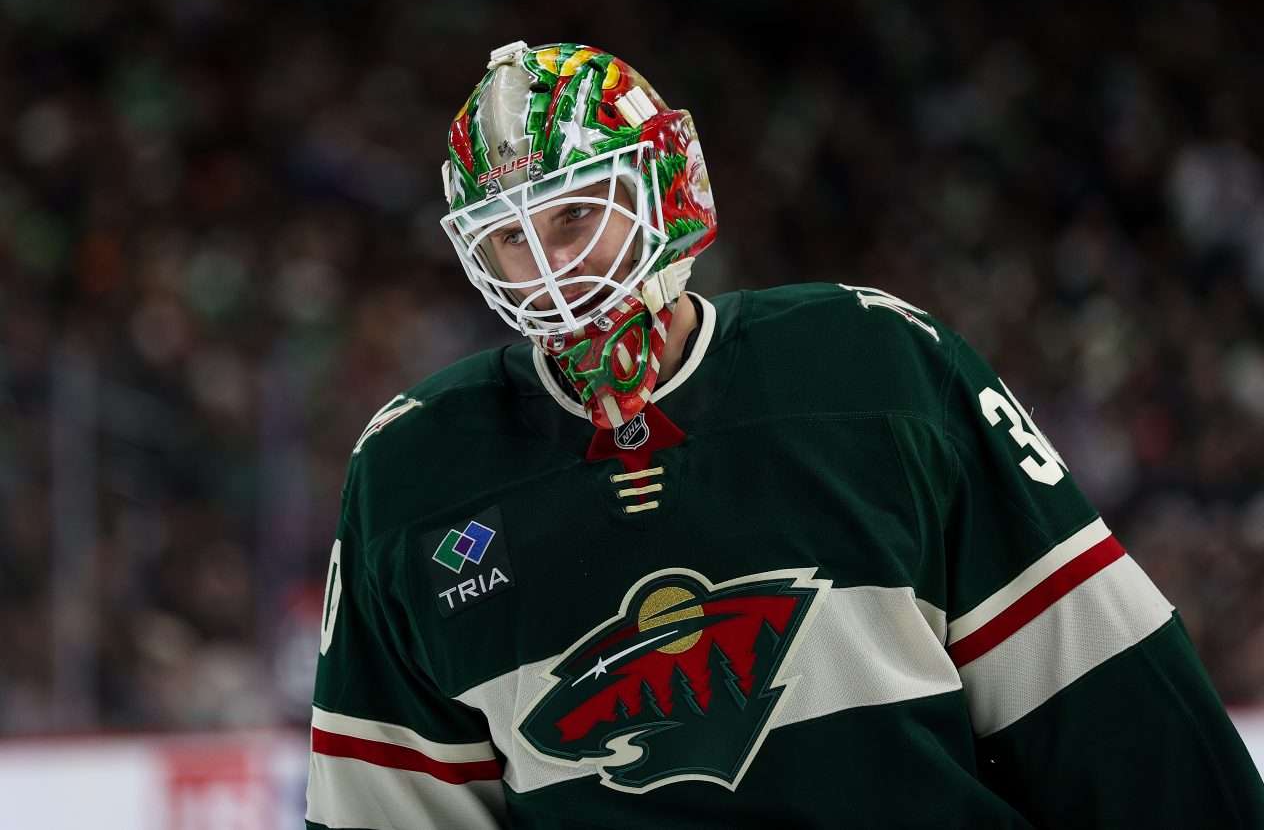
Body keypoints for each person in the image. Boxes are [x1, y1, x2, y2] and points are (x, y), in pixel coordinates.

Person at [305, 41, 1264, 829]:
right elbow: (382, 811)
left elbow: (1116, 706)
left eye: (577, 213)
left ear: (663, 187)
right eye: (512, 237)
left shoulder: (878, 367)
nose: (552, 268)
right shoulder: (412, 476)